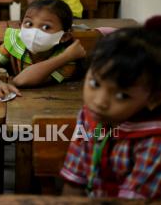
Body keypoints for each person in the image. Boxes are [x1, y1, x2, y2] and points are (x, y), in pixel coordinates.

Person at [61, 20, 161, 198]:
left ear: (154, 99)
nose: (99, 102)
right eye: (94, 83)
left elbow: (131, 202)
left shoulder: (154, 141)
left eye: (122, 96)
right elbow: (74, 180)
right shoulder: (88, 116)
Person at [0, 0, 85, 99]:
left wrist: (66, 56)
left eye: (46, 27)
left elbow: (21, 81)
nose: (34, 32)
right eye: (29, 23)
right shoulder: (15, 42)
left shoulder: (67, 59)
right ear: (20, 26)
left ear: (64, 37)